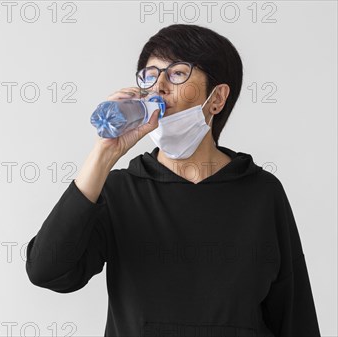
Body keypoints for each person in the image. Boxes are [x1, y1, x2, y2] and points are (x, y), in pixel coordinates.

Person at [25, 24, 321, 337]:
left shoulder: (262, 192)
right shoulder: (119, 191)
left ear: (217, 98)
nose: (159, 86)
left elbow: (293, 314)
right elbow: (47, 271)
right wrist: (103, 154)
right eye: (150, 75)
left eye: (177, 73)